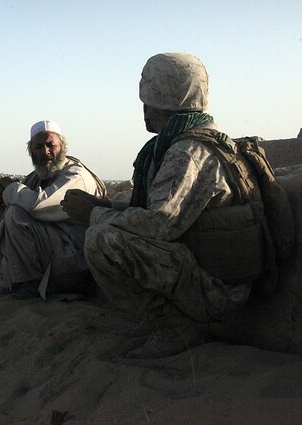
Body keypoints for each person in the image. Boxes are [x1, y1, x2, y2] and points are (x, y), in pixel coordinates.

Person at [61, 52, 269, 358]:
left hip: (217, 290)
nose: (143, 109)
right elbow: (161, 210)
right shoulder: (203, 140)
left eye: (148, 100)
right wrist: (107, 206)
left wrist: (93, 214)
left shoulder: (187, 152)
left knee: (101, 240)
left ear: (162, 101)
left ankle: (174, 328)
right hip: (213, 275)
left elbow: (157, 223)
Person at [0, 120, 107, 300]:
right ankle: (18, 280)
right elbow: (15, 195)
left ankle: (31, 283)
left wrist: (10, 189)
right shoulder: (38, 176)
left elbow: (40, 205)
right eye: (39, 147)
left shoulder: (75, 175)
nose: (45, 152)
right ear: (31, 151)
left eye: (50, 145)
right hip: (53, 250)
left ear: (63, 146)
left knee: (16, 214)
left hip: (73, 256)